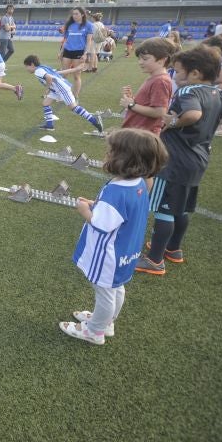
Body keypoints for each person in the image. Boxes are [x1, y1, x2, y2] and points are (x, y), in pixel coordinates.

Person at [135, 47, 222, 275]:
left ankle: (155, 260)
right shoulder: (217, 93)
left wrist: (172, 122)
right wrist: (215, 122)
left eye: (177, 71)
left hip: (174, 161)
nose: (175, 75)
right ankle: (173, 249)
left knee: (164, 209)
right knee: (181, 208)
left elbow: (193, 115)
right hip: (198, 159)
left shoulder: (189, 92)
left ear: (194, 73)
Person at [58, 129, 169, 345]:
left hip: (108, 254)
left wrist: (84, 209)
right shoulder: (139, 183)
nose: (107, 154)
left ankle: (95, 331)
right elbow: (121, 214)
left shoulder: (116, 191)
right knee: (116, 287)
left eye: (111, 151)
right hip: (126, 250)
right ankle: (107, 322)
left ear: (125, 159)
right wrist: (97, 205)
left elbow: (101, 224)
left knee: (105, 291)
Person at [22, 55, 104, 133]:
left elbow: (49, 78)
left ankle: (94, 121)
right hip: (56, 90)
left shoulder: (38, 71)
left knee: (74, 108)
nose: (26, 69)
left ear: (32, 64)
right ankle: (49, 125)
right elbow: (59, 72)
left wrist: (46, 90)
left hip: (62, 89)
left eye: (27, 66)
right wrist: (75, 69)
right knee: (45, 103)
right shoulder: (43, 67)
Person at [119, 38, 175, 134]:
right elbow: (148, 104)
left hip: (143, 135)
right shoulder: (155, 78)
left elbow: (159, 112)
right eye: (139, 58)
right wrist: (132, 99)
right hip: (138, 132)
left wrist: (131, 105)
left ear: (162, 60)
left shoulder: (160, 81)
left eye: (145, 59)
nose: (140, 62)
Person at [60, 7, 94, 98]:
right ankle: (62, 95)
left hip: (79, 52)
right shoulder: (69, 25)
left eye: (76, 14)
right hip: (67, 51)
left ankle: (75, 96)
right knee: (64, 74)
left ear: (82, 14)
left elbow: (89, 41)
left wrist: (85, 53)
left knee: (76, 76)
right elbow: (66, 40)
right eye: (73, 14)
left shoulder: (89, 25)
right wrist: (61, 51)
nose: (74, 16)